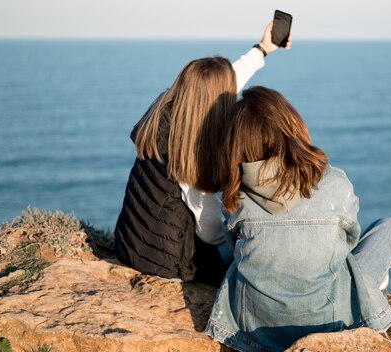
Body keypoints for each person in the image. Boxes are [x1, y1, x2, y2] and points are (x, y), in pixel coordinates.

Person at [205, 86, 391, 351]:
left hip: (256, 330)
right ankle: (368, 294)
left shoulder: (236, 196)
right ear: (293, 127)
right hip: (330, 321)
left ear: (237, 143)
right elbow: (350, 238)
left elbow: (233, 246)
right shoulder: (334, 182)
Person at [114, 23, 292, 285]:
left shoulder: (166, 112)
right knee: (240, 271)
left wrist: (262, 49)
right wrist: (233, 245)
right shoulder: (192, 154)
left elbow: (224, 84)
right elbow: (209, 229)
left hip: (130, 240)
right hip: (163, 262)